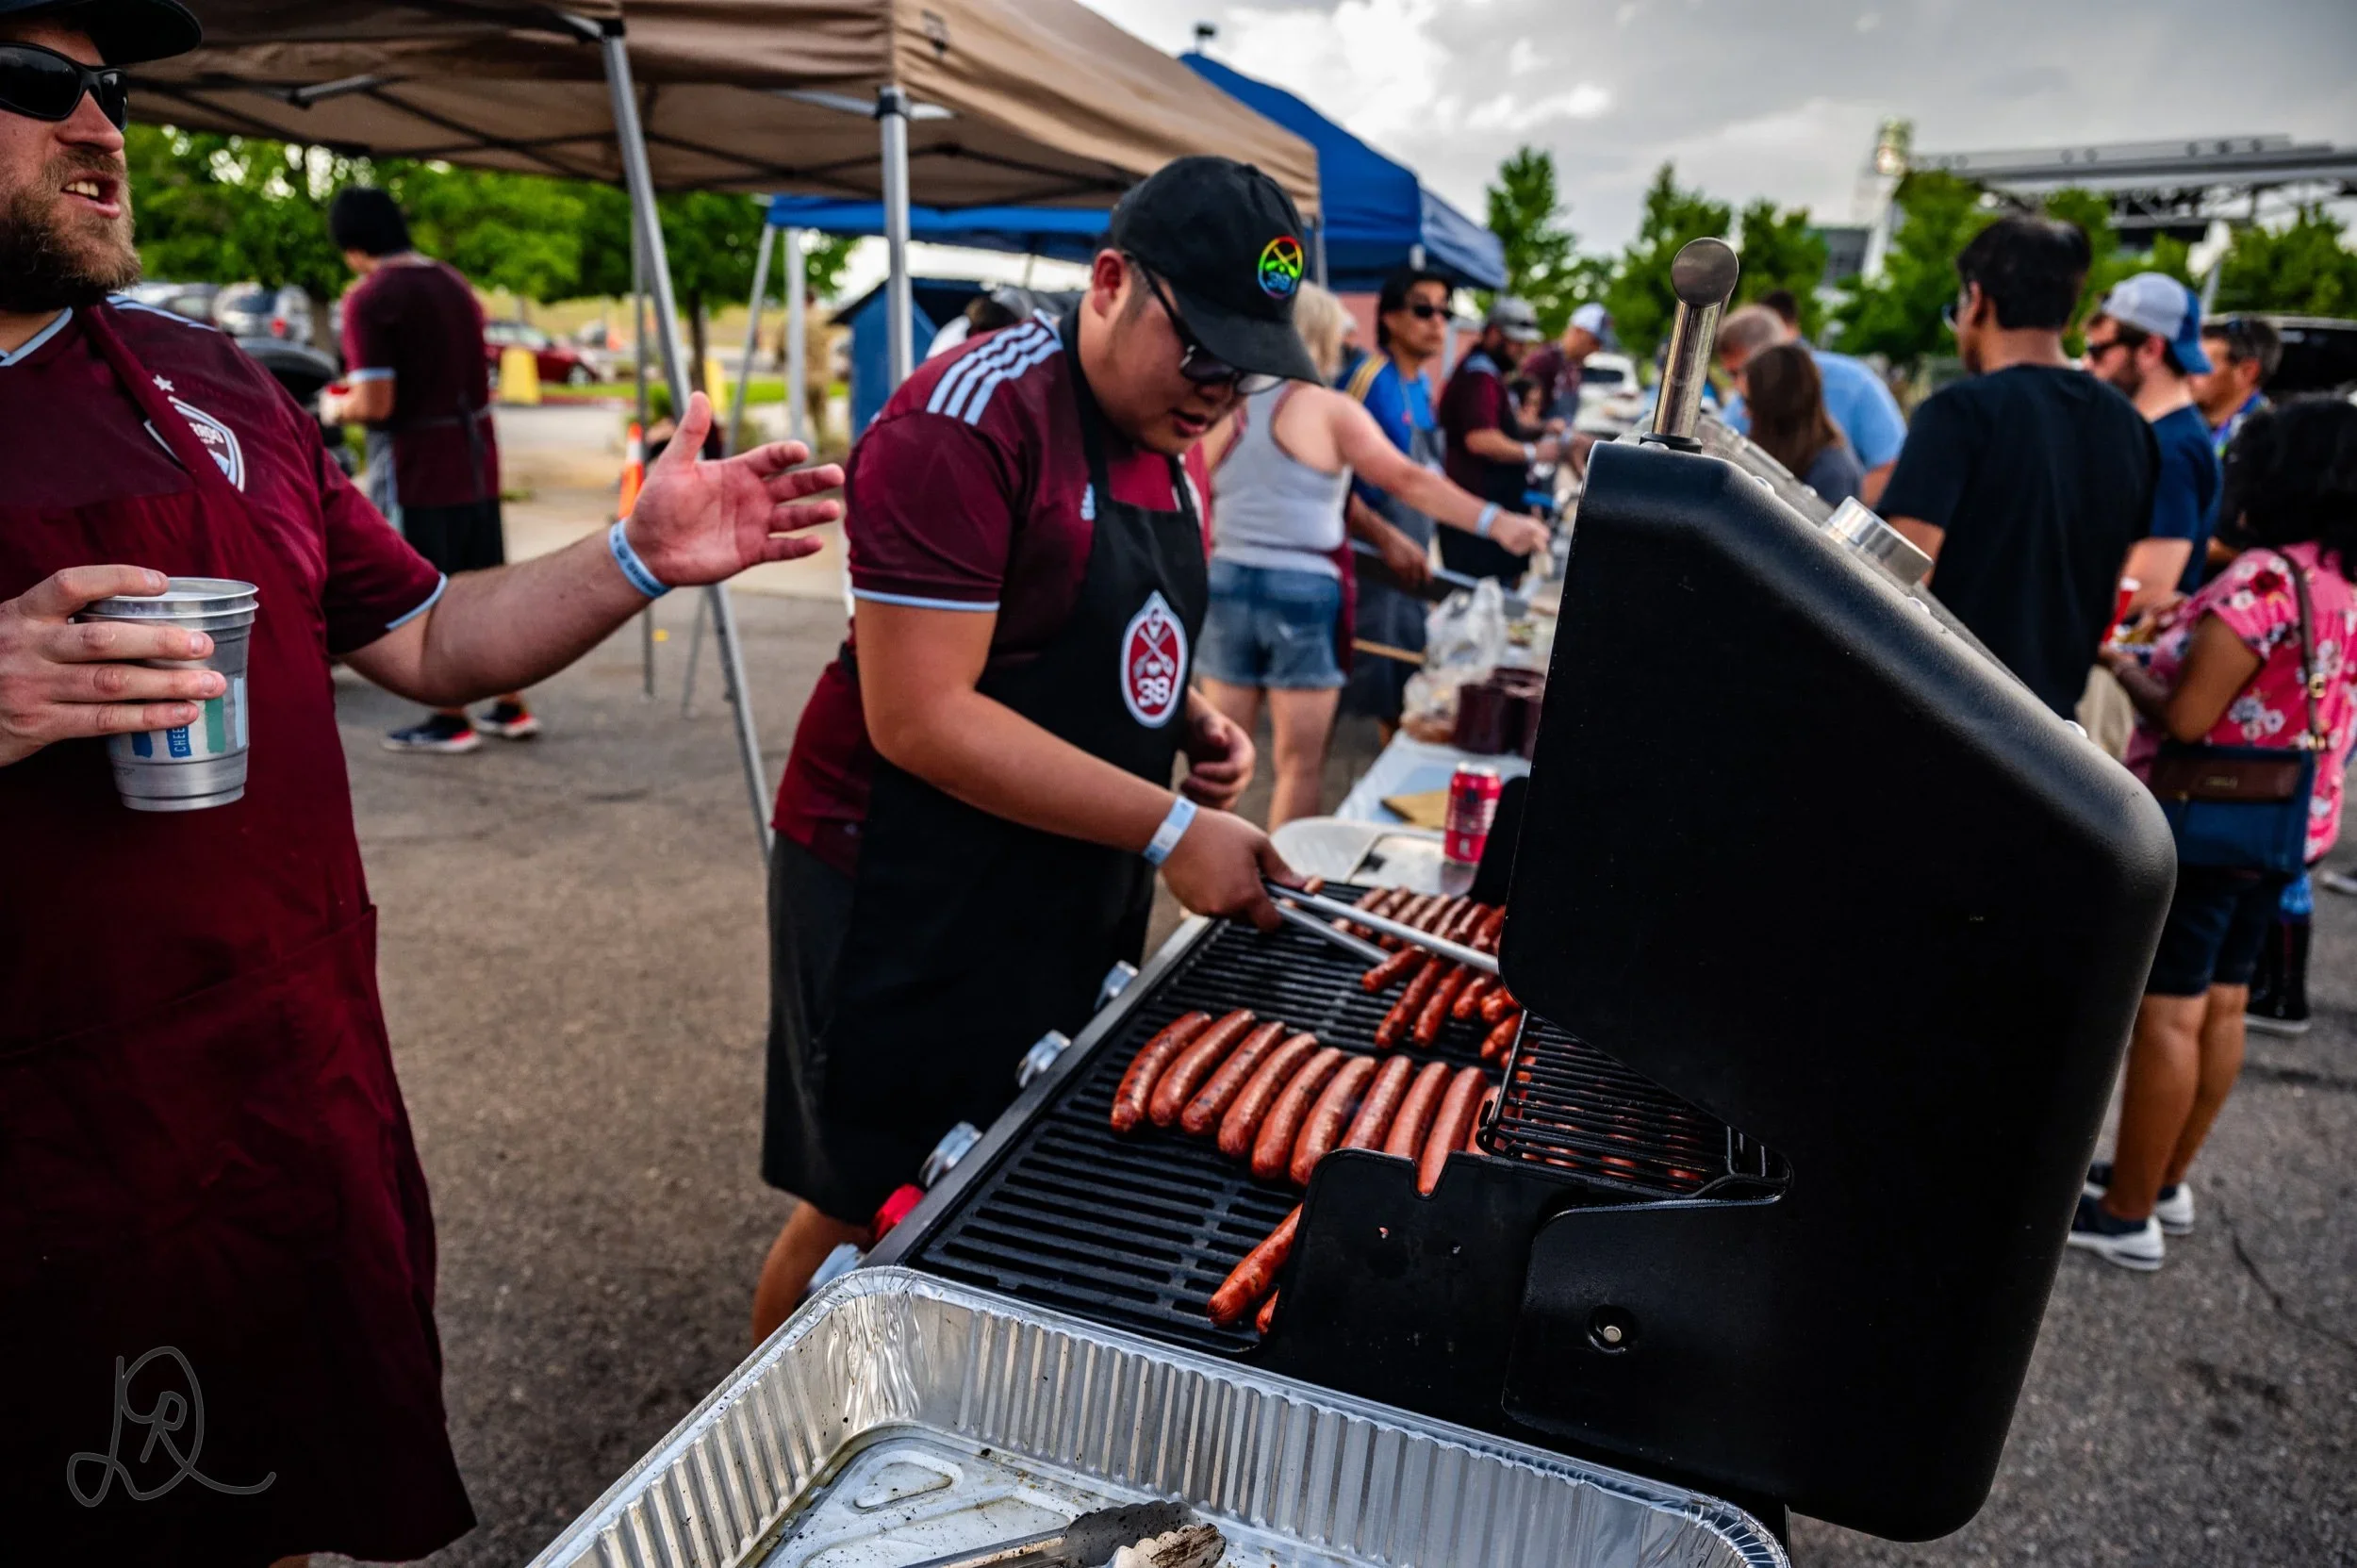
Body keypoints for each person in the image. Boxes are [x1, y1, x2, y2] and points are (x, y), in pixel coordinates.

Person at [0, 3, 846, 1557]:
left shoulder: (220, 382)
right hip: (46, 1158)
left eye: (110, 86)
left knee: (285, 1502)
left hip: (285, 1100)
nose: (101, 130)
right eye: (33, 81)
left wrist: (636, 556)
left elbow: (435, 636)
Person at [751, 157, 1314, 1335]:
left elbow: (1093, 634)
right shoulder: (964, 421)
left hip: (1059, 857)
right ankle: (762, 1446)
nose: (1218, 393)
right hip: (904, 873)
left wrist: (1187, 725)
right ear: (1108, 281)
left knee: (1003, 1161)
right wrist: (1169, 823)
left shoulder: (1172, 433)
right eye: (1200, 349)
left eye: (1245, 366)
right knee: (867, 1207)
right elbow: (921, 716)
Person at [2077, 398, 2357, 1270]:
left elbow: (2193, 715)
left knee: (2168, 1014)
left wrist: (2122, 661)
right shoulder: (2337, 579)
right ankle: (2162, 1181)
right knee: (2226, 1002)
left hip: (2209, 826)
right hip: (2287, 827)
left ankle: (2126, 1217)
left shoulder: (2266, 578)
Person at [1199, 284, 1546, 827]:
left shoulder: (1224, 402)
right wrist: (1496, 522)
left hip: (1223, 578)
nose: (1345, 348)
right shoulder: (1328, 409)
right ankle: (1279, 888)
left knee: (1222, 756)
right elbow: (1407, 479)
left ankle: (1204, 870)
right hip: (1302, 590)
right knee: (1298, 766)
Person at [1878, 216, 2157, 718]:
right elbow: (2110, 581)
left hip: (1948, 714)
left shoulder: (1958, 413)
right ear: (2068, 317)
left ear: (1978, 300)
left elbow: (1896, 583)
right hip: (2051, 733)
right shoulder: (2130, 427)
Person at [321, 187, 536, 752]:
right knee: (485, 582)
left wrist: (333, 406)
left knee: (430, 592)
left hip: (420, 466)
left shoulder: (371, 298)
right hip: (476, 457)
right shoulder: (452, 282)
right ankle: (510, 704)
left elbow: (377, 403)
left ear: (351, 244)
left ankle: (449, 716)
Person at [1335, 267, 1446, 730]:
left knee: (1405, 698)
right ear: (1391, 318)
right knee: (1357, 697)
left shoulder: (1421, 386)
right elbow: (1330, 480)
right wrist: (1385, 538)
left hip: (1410, 565)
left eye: (1445, 311)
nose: (1437, 322)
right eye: (1423, 309)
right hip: (1371, 566)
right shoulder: (1366, 381)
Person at [2083, 272, 2222, 610]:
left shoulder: (2172, 451)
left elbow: (2147, 588)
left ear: (2150, 349)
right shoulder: (2161, 436)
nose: (2087, 364)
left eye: (2098, 351)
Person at [1715, 300, 1908, 506]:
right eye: (1731, 376)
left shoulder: (1854, 385)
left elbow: (1891, 466)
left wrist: (1841, 511)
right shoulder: (1741, 407)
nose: (1738, 387)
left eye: (1743, 373)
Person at [1437, 296, 1569, 583]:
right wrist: (1534, 452)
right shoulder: (1478, 376)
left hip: (1490, 513)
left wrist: (1543, 428)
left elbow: (1502, 425)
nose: (1522, 351)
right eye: (1516, 342)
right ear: (1495, 333)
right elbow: (1481, 439)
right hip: (1475, 520)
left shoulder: (1491, 374)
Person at [1738, 341, 1864, 506]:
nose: (1744, 413)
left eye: (1748, 403)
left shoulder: (1831, 475)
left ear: (1775, 408)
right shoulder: (1805, 458)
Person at [2193, 313, 2281, 463]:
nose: (2188, 372)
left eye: (2201, 363)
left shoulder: (2268, 446)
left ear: (2247, 372)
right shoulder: (2181, 420)